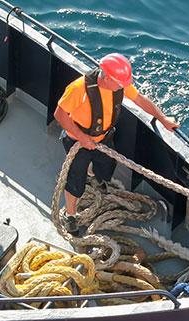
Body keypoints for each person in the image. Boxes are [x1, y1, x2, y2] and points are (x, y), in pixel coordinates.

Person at [53, 53, 179, 232]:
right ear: (106, 76)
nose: (123, 87)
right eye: (120, 83)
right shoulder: (78, 88)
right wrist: (82, 137)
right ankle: (70, 215)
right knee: (75, 181)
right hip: (77, 142)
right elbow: (59, 114)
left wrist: (162, 118)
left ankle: (95, 177)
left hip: (103, 138)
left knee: (106, 168)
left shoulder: (119, 86)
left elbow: (140, 99)